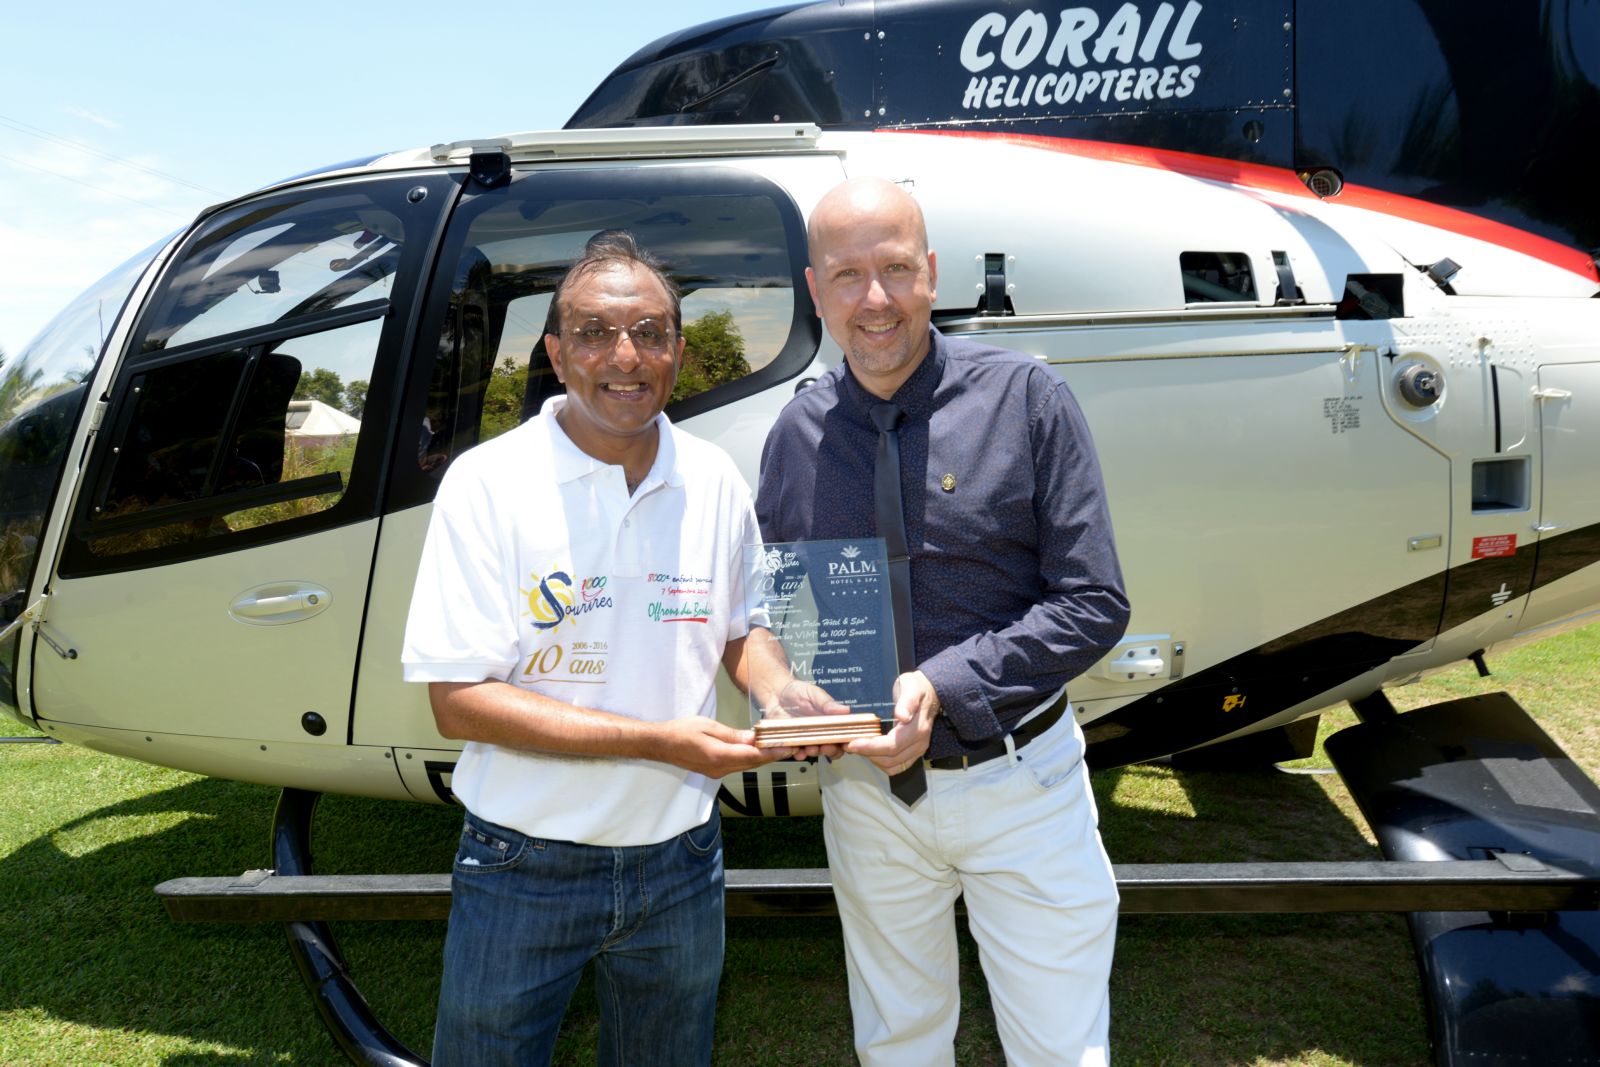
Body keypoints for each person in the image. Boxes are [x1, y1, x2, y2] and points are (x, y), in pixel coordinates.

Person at [403, 232, 825, 1066]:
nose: (624, 356)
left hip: (682, 855)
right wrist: (653, 739)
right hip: (522, 860)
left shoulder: (713, 480)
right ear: (557, 355)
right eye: (595, 332)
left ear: (678, 350)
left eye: (651, 332)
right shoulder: (488, 484)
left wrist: (779, 692)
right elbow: (456, 700)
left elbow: (743, 626)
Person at [756, 178, 1131, 1066]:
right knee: (898, 1042)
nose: (874, 299)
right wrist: (782, 687)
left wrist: (943, 684)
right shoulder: (795, 433)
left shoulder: (1028, 398)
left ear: (930, 273)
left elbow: (1094, 603)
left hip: (1021, 782)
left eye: (894, 268)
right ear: (815, 292)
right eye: (847, 275)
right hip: (865, 798)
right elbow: (768, 607)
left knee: (1059, 1048)